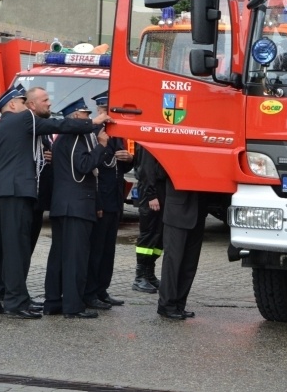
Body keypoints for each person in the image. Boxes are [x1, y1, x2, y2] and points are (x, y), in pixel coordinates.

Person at [0, 87, 109, 319]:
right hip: (16, 194)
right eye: (23, 101)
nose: (29, 106)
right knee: (16, 249)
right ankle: (16, 303)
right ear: (13, 106)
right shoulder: (25, 120)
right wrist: (94, 123)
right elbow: (61, 125)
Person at [43, 98, 109, 318]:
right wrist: (101, 146)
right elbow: (84, 166)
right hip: (77, 205)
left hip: (65, 205)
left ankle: (53, 301)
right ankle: (73, 306)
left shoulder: (65, 138)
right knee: (75, 258)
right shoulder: (75, 137)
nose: (88, 118)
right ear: (75, 118)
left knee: (59, 256)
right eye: (84, 115)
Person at [84, 91, 134, 307]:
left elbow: (121, 167)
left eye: (108, 111)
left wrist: (129, 159)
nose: (106, 115)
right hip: (100, 200)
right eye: (103, 111)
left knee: (108, 250)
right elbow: (91, 169)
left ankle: (102, 289)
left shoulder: (117, 134)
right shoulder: (94, 134)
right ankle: (91, 292)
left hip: (114, 198)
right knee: (95, 250)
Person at [157, 179, 215, 320]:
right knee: (173, 261)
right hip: (177, 210)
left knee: (189, 263)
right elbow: (157, 172)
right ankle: (166, 305)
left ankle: (179, 304)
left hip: (198, 211)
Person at [23, 86, 54, 257]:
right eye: (45, 100)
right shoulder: (26, 127)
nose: (49, 104)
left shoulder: (45, 128)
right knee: (20, 246)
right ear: (32, 105)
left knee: (29, 247)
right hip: (26, 198)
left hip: (39, 201)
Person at [132, 144, 166, 294]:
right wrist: (151, 195)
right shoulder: (148, 141)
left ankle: (149, 273)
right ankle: (140, 277)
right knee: (148, 235)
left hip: (161, 190)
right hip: (150, 192)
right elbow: (146, 170)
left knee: (159, 236)